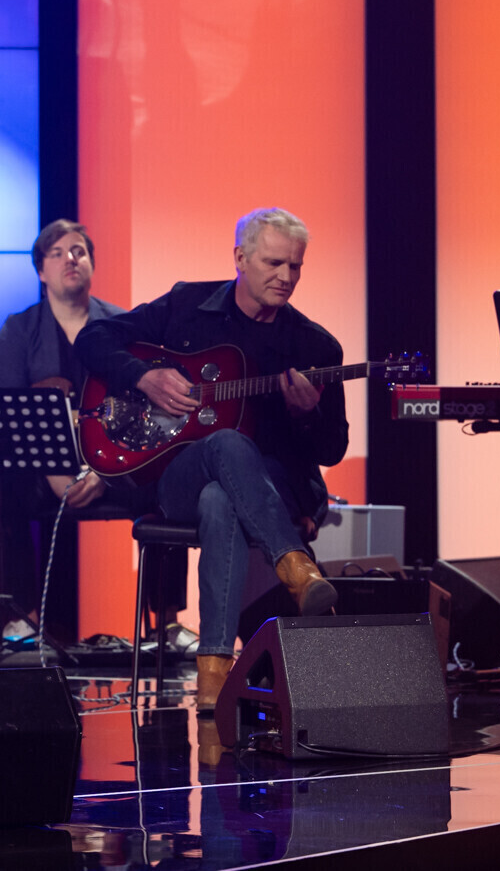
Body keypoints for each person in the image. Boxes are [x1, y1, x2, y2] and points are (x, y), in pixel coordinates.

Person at [76, 208, 348, 708]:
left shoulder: (315, 346)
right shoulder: (187, 304)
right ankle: (295, 566)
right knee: (225, 443)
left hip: (272, 484)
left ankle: (213, 675)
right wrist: (143, 377)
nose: (286, 277)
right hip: (177, 476)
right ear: (240, 258)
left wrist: (306, 415)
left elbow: (332, 451)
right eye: (273, 263)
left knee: (220, 500)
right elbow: (92, 338)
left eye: (295, 266)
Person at [0, 221, 145, 633]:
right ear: (41, 271)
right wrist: (54, 467)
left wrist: (103, 472)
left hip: (114, 466)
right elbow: (4, 412)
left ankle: (165, 623)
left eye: (78, 251)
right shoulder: (19, 329)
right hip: (44, 470)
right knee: (5, 485)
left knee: (169, 481)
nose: (70, 259)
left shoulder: (124, 324)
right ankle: (23, 619)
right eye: (56, 254)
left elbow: (144, 408)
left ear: (91, 263)